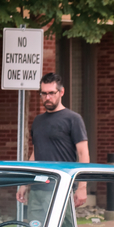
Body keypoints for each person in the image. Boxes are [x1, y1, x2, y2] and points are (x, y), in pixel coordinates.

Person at [17, 72, 90, 209]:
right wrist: (24, 183)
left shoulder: (73, 119)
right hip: (37, 187)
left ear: (61, 92)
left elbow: (83, 153)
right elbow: (35, 153)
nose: (47, 97)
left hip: (61, 187)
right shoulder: (38, 121)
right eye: (43, 93)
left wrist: (82, 187)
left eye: (51, 93)